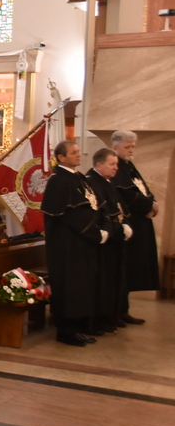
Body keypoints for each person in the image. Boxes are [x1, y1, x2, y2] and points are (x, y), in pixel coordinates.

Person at [40, 140, 112, 347]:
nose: (78, 155)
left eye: (78, 152)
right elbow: (73, 215)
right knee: (70, 286)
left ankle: (78, 326)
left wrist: (104, 227)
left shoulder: (78, 178)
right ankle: (66, 330)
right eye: (73, 153)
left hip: (83, 243)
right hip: (68, 245)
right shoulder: (58, 181)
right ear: (61, 157)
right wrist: (96, 233)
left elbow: (94, 204)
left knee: (82, 285)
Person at [111, 130, 157, 325]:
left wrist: (152, 204)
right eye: (127, 147)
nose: (131, 150)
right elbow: (127, 195)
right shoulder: (116, 168)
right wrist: (148, 206)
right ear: (115, 147)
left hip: (141, 222)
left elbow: (143, 188)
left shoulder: (129, 166)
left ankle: (124, 310)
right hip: (128, 224)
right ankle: (117, 310)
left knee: (132, 269)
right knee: (125, 268)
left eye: (133, 147)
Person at [85, 148, 132, 334]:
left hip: (115, 239)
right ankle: (101, 320)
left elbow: (119, 208)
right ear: (99, 165)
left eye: (116, 165)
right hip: (104, 242)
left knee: (114, 281)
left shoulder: (107, 182)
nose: (115, 169)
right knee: (103, 284)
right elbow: (100, 213)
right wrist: (116, 229)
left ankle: (113, 316)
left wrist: (125, 224)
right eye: (112, 164)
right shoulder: (92, 183)